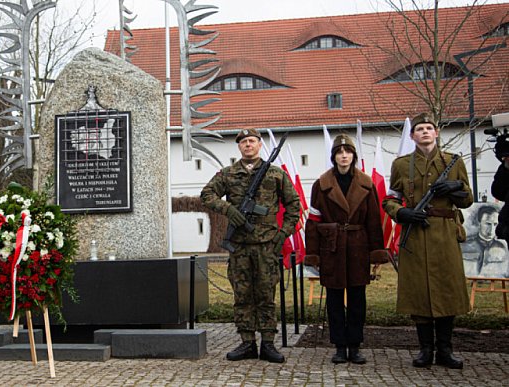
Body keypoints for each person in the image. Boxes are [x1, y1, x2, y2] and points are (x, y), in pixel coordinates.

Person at [201, 128, 300, 363]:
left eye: (252, 141)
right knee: (242, 295)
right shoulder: (228, 174)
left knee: (266, 294)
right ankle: (247, 343)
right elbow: (207, 194)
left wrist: (281, 235)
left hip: (267, 246)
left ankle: (268, 343)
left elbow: (294, 206)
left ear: (259, 144)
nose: (248, 145)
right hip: (240, 247)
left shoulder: (275, 174)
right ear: (239, 146)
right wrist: (229, 210)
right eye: (243, 141)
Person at [382, 112, 473, 369]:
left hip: (444, 234)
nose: (424, 132)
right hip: (416, 233)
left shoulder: (453, 162)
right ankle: (425, 350)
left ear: (436, 133)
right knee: (418, 291)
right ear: (412, 135)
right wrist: (401, 212)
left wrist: (455, 188)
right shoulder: (401, 165)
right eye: (419, 128)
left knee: (447, 290)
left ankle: (446, 349)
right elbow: (390, 199)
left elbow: (468, 199)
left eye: (429, 128)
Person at [304, 134, 390, 364]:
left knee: (357, 299)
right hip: (331, 247)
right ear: (334, 156)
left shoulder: (366, 184)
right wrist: (312, 253)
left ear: (353, 155)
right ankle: (339, 346)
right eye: (339, 152)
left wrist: (376, 251)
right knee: (333, 299)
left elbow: (374, 220)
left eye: (348, 152)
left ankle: (355, 345)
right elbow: (313, 221)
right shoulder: (321, 185)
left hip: (357, 246)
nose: (344, 156)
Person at [461, 206, 509, 278]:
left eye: (495, 224)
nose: (491, 229)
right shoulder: (464, 245)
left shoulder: (504, 247)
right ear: (479, 222)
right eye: (488, 224)